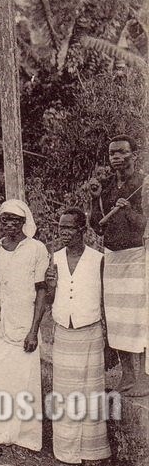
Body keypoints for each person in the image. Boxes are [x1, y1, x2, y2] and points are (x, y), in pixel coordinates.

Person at [0, 199, 49, 451]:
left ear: (23, 222)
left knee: (23, 380)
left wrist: (33, 330)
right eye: (4, 219)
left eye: (15, 220)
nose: (9, 224)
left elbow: (41, 291)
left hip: (22, 324)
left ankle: (24, 436)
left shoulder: (36, 249)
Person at [44, 207, 111, 464]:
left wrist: (108, 336)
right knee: (65, 391)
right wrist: (50, 286)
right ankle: (66, 451)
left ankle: (92, 451)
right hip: (64, 332)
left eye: (70, 228)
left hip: (90, 331)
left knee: (90, 390)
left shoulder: (98, 258)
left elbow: (105, 299)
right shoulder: (55, 257)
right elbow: (50, 299)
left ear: (82, 230)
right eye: (61, 228)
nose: (64, 233)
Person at [89, 134, 148, 396]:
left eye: (122, 152)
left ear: (133, 155)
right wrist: (95, 199)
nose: (116, 157)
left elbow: (143, 225)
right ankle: (127, 376)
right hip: (112, 257)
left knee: (138, 317)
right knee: (117, 319)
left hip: (137, 256)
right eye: (112, 153)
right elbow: (97, 227)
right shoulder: (108, 185)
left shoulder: (144, 183)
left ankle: (143, 378)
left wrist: (127, 210)